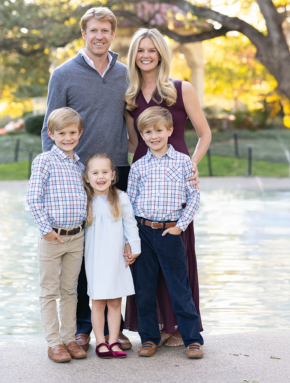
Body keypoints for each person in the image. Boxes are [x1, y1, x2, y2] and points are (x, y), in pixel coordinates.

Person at [40, 7, 133, 352]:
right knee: (82, 253)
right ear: (84, 33)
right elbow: (49, 129)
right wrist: (56, 174)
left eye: (105, 30)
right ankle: (81, 329)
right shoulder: (63, 74)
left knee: (114, 249)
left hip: (115, 172)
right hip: (76, 174)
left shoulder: (125, 73)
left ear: (112, 34)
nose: (99, 36)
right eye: (93, 30)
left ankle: (114, 329)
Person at [123, 28, 211, 347]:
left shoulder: (180, 89)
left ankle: (177, 328)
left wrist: (191, 166)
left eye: (151, 50)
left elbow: (204, 134)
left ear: (161, 53)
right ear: (134, 55)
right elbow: (134, 142)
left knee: (177, 262)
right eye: (140, 50)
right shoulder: (129, 97)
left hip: (175, 188)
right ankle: (153, 329)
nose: (146, 55)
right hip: (146, 186)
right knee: (146, 263)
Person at [128, 107, 204, 359]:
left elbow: (194, 198)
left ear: (170, 130)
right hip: (143, 232)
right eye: (148, 132)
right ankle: (149, 338)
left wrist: (179, 227)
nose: (154, 136)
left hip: (170, 233)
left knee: (179, 287)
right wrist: (131, 237)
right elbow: (130, 203)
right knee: (144, 289)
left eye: (159, 130)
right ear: (142, 135)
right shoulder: (138, 167)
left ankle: (192, 339)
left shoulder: (184, 162)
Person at [26, 107, 89, 363]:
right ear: (51, 134)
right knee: (49, 291)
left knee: (70, 291)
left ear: (80, 133)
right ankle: (54, 343)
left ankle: (69, 338)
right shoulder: (44, 161)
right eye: (61, 133)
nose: (67, 138)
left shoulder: (80, 165)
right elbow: (33, 198)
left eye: (72, 133)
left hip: (76, 237)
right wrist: (47, 231)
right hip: (53, 238)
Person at [81, 152, 142, 359]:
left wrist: (133, 247)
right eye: (95, 172)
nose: (101, 177)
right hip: (95, 259)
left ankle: (114, 340)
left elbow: (130, 224)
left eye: (105, 172)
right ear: (87, 177)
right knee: (98, 302)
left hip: (116, 258)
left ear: (113, 175)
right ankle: (100, 342)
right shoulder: (85, 200)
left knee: (116, 302)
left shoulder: (121, 197)